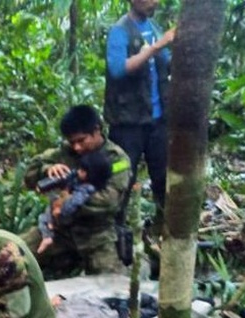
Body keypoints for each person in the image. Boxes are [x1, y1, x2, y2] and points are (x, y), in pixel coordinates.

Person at [24, 105, 130, 278]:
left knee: (113, 287)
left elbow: (109, 201)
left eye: (81, 140)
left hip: (97, 235)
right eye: (72, 142)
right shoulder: (65, 151)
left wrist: (65, 201)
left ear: (97, 130)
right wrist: (47, 169)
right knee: (14, 255)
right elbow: (29, 176)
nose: (77, 148)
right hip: (60, 230)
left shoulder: (116, 158)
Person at [104, 0, 174, 232]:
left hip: (157, 119)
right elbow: (117, 69)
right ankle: (116, 234)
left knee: (163, 178)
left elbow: (165, 63)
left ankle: (161, 230)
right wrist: (154, 48)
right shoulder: (120, 30)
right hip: (128, 123)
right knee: (123, 178)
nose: (155, 2)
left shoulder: (153, 27)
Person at [37, 151, 113, 256]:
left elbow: (74, 203)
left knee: (43, 219)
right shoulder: (79, 178)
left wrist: (60, 211)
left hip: (68, 217)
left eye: (82, 170)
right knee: (47, 212)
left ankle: (47, 236)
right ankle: (48, 231)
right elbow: (70, 175)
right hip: (62, 212)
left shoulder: (86, 189)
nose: (78, 172)